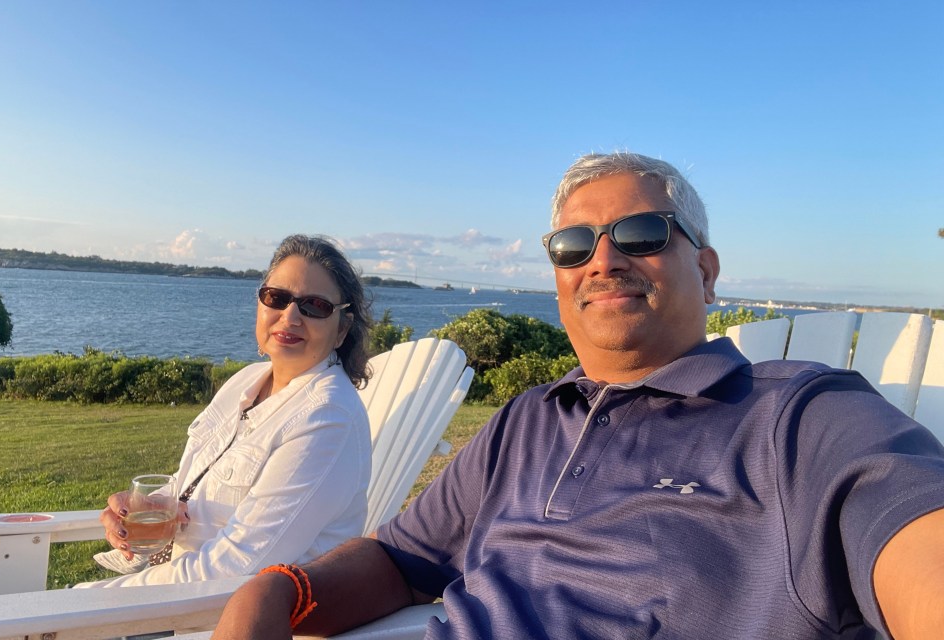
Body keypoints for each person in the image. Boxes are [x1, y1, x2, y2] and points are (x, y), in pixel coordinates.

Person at [212, 152, 944, 639]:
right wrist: (279, 591)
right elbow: (401, 562)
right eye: (573, 245)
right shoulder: (526, 420)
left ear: (706, 270)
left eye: (642, 234)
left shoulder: (804, 420)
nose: (604, 260)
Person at [76, 234, 374, 588]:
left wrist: (103, 594)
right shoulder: (246, 382)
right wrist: (149, 507)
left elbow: (239, 563)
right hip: (175, 588)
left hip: (224, 607)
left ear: (342, 329)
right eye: (276, 298)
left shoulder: (327, 417)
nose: (290, 316)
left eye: (315, 306)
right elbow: (198, 486)